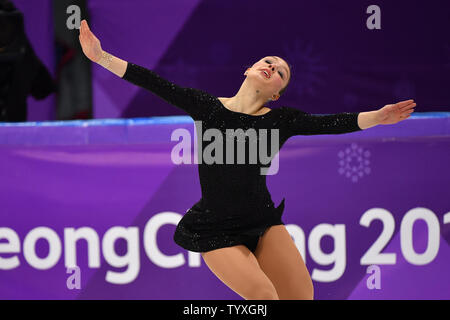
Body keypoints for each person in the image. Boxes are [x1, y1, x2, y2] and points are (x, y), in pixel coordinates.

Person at [78, 19, 416, 300]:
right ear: (248, 70)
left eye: (281, 72)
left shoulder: (281, 121)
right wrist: (100, 56)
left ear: (277, 94)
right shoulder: (207, 107)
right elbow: (155, 83)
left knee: (302, 296)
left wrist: (378, 117)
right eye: (268, 62)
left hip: (262, 221)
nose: (272, 67)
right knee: (263, 297)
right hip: (215, 227)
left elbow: (333, 123)